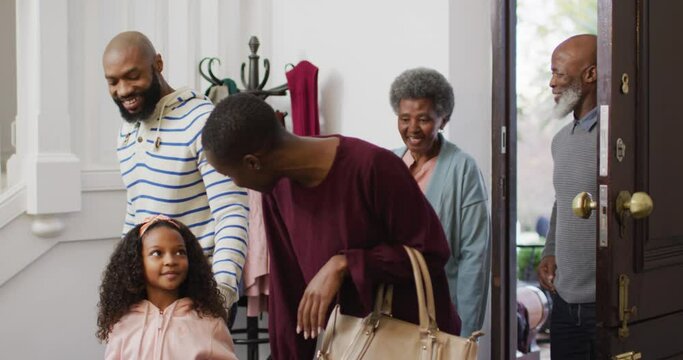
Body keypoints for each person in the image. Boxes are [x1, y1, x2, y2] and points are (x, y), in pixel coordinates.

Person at [202, 93, 461, 359]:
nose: (235, 184)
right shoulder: (277, 189)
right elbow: (288, 293)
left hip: (411, 344)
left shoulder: (372, 167)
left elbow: (431, 253)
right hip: (352, 348)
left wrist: (344, 264)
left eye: (231, 175)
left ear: (253, 163)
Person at [102, 31, 248, 309]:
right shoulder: (126, 131)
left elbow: (232, 212)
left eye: (133, 76)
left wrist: (223, 292)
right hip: (148, 296)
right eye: (113, 81)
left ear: (158, 64)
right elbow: (136, 212)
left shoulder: (202, 122)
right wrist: (123, 287)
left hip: (197, 295)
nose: (123, 90)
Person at [389, 67, 491, 337]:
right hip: (390, 309)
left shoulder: (462, 168)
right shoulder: (388, 164)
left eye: (423, 119)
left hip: (441, 312)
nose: (412, 129)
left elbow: (474, 254)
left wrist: (466, 330)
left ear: (443, 120)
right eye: (404, 118)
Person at [97, 215, 238, 360]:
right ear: (138, 262)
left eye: (179, 252)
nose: (170, 261)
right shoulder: (123, 324)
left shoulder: (210, 324)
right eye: (157, 253)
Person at [537, 34, 598, 359]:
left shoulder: (616, 136)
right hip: (563, 302)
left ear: (590, 74)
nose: (552, 83)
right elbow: (563, 200)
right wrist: (549, 251)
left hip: (606, 304)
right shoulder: (561, 140)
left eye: (559, 72)